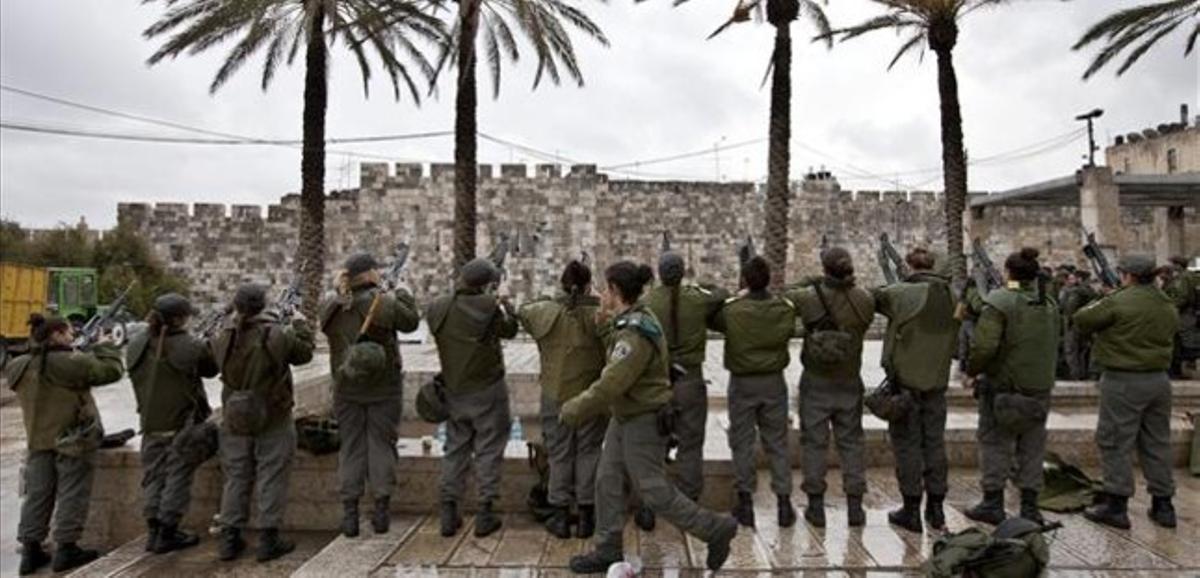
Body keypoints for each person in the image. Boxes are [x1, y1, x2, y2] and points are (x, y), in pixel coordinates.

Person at [562, 261, 738, 574]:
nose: (602, 293)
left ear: (616, 291)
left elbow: (613, 381)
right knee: (607, 480)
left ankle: (714, 529)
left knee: (653, 490)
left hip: (642, 418)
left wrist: (574, 409)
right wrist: (604, 319)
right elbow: (615, 345)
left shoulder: (635, 333)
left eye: (606, 288)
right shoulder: (632, 319)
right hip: (625, 416)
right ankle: (607, 548)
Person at [6, 314, 124, 575]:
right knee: (72, 493)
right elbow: (111, 371)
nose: (72, 336)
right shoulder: (70, 363)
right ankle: (67, 549)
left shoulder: (19, 365)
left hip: (38, 439)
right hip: (72, 440)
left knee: (38, 495)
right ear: (57, 335)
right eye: (68, 332)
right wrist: (105, 346)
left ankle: (30, 550)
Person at [211, 283, 315, 562]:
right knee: (271, 476)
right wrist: (300, 324)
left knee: (236, 477)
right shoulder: (276, 335)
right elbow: (304, 353)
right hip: (273, 415)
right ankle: (269, 539)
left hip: (234, 416)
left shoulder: (222, 336)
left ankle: (229, 539)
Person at [320, 253, 421, 538]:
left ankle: (350, 515)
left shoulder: (331, 306)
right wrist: (404, 291)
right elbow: (411, 321)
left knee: (351, 447)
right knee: (381, 445)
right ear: (370, 274)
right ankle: (380, 511)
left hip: (345, 388)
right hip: (383, 388)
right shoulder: (381, 303)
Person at [1075, 255, 1179, 530]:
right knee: (1157, 442)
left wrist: (1108, 296)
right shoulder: (1165, 302)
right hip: (1158, 380)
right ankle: (1163, 504)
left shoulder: (1118, 300)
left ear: (1128, 276)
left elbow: (1082, 319)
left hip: (1124, 380)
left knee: (1115, 441)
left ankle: (1117, 505)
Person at [963, 248, 1060, 525]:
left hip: (1005, 386)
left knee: (995, 442)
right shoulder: (1049, 303)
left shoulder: (1001, 301)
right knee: (1032, 445)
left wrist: (972, 370)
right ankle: (1030, 506)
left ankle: (993, 502)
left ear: (1009, 272)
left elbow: (984, 346)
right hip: (1038, 386)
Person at [426, 257, 519, 538]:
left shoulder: (438, 307)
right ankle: (485, 513)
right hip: (488, 389)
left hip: (454, 390)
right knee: (489, 449)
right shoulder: (489, 307)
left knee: (455, 449)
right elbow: (510, 330)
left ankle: (448, 512)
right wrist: (505, 304)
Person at [518, 260, 608, 539]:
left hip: (555, 393)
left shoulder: (546, 311)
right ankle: (586, 515)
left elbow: (523, 311)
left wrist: (554, 297)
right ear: (588, 284)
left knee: (560, 453)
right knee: (589, 451)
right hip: (591, 395)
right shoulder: (599, 314)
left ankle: (558, 514)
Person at [787, 247, 874, 528]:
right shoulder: (865, 300)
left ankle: (815, 506)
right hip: (850, 379)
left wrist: (812, 280)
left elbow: (786, 293)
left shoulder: (808, 298)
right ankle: (855, 507)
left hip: (816, 380)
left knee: (814, 443)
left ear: (825, 270)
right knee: (851, 443)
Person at [873, 247, 959, 533]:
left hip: (906, 384)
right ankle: (936, 509)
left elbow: (874, 298)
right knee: (934, 444)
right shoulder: (951, 295)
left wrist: (897, 281)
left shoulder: (902, 293)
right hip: (937, 383)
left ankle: (911, 509)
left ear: (910, 267)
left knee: (908, 446)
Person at [127, 294, 218, 554]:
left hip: (150, 422)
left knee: (154, 476)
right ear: (180, 318)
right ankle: (168, 531)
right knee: (178, 475)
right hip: (182, 423)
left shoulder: (137, 343)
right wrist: (206, 343)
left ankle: (153, 529)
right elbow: (210, 369)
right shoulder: (188, 345)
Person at [710, 255, 797, 529]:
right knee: (777, 443)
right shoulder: (784, 309)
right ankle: (784, 503)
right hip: (773, 382)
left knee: (742, 442)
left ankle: (745, 503)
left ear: (745, 280)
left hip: (743, 382)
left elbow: (713, 319)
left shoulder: (732, 310)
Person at [643, 251, 726, 507]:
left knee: (652, 444)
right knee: (691, 443)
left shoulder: (648, 301)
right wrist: (702, 286)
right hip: (690, 379)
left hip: (658, 381)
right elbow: (722, 294)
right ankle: (688, 501)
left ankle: (650, 504)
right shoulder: (697, 300)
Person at [1060, 269, 1098, 380]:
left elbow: (1068, 308)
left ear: (1079, 279)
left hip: (1074, 325)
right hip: (1088, 325)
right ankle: (1085, 373)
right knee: (1084, 351)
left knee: (1071, 350)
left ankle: (1075, 374)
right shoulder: (1092, 291)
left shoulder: (1076, 292)